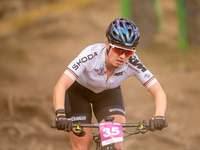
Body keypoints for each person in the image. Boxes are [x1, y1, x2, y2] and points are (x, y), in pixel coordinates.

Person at [53, 18, 167, 150]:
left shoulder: (133, 62)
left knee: (115, 144)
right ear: (107, 43)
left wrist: (159, 116)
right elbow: (61, 85)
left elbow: (158, 91)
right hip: (78, 93)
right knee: (82, 145)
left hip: (108, 94)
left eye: (129, 52)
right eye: (119, 50)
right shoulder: (90, 55)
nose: (123, 56)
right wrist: (60, 115)